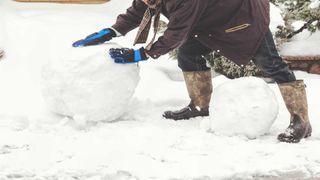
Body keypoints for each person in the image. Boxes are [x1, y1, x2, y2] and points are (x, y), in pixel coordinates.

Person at [73, 0, 312, 143]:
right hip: (209, 20)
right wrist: (111, 31)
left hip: (243, 16)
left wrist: (140, 54)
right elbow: (137, 12)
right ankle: (200, 106)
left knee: (270, 64)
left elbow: (175, 34)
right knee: (189, 53)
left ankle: (301, 121)